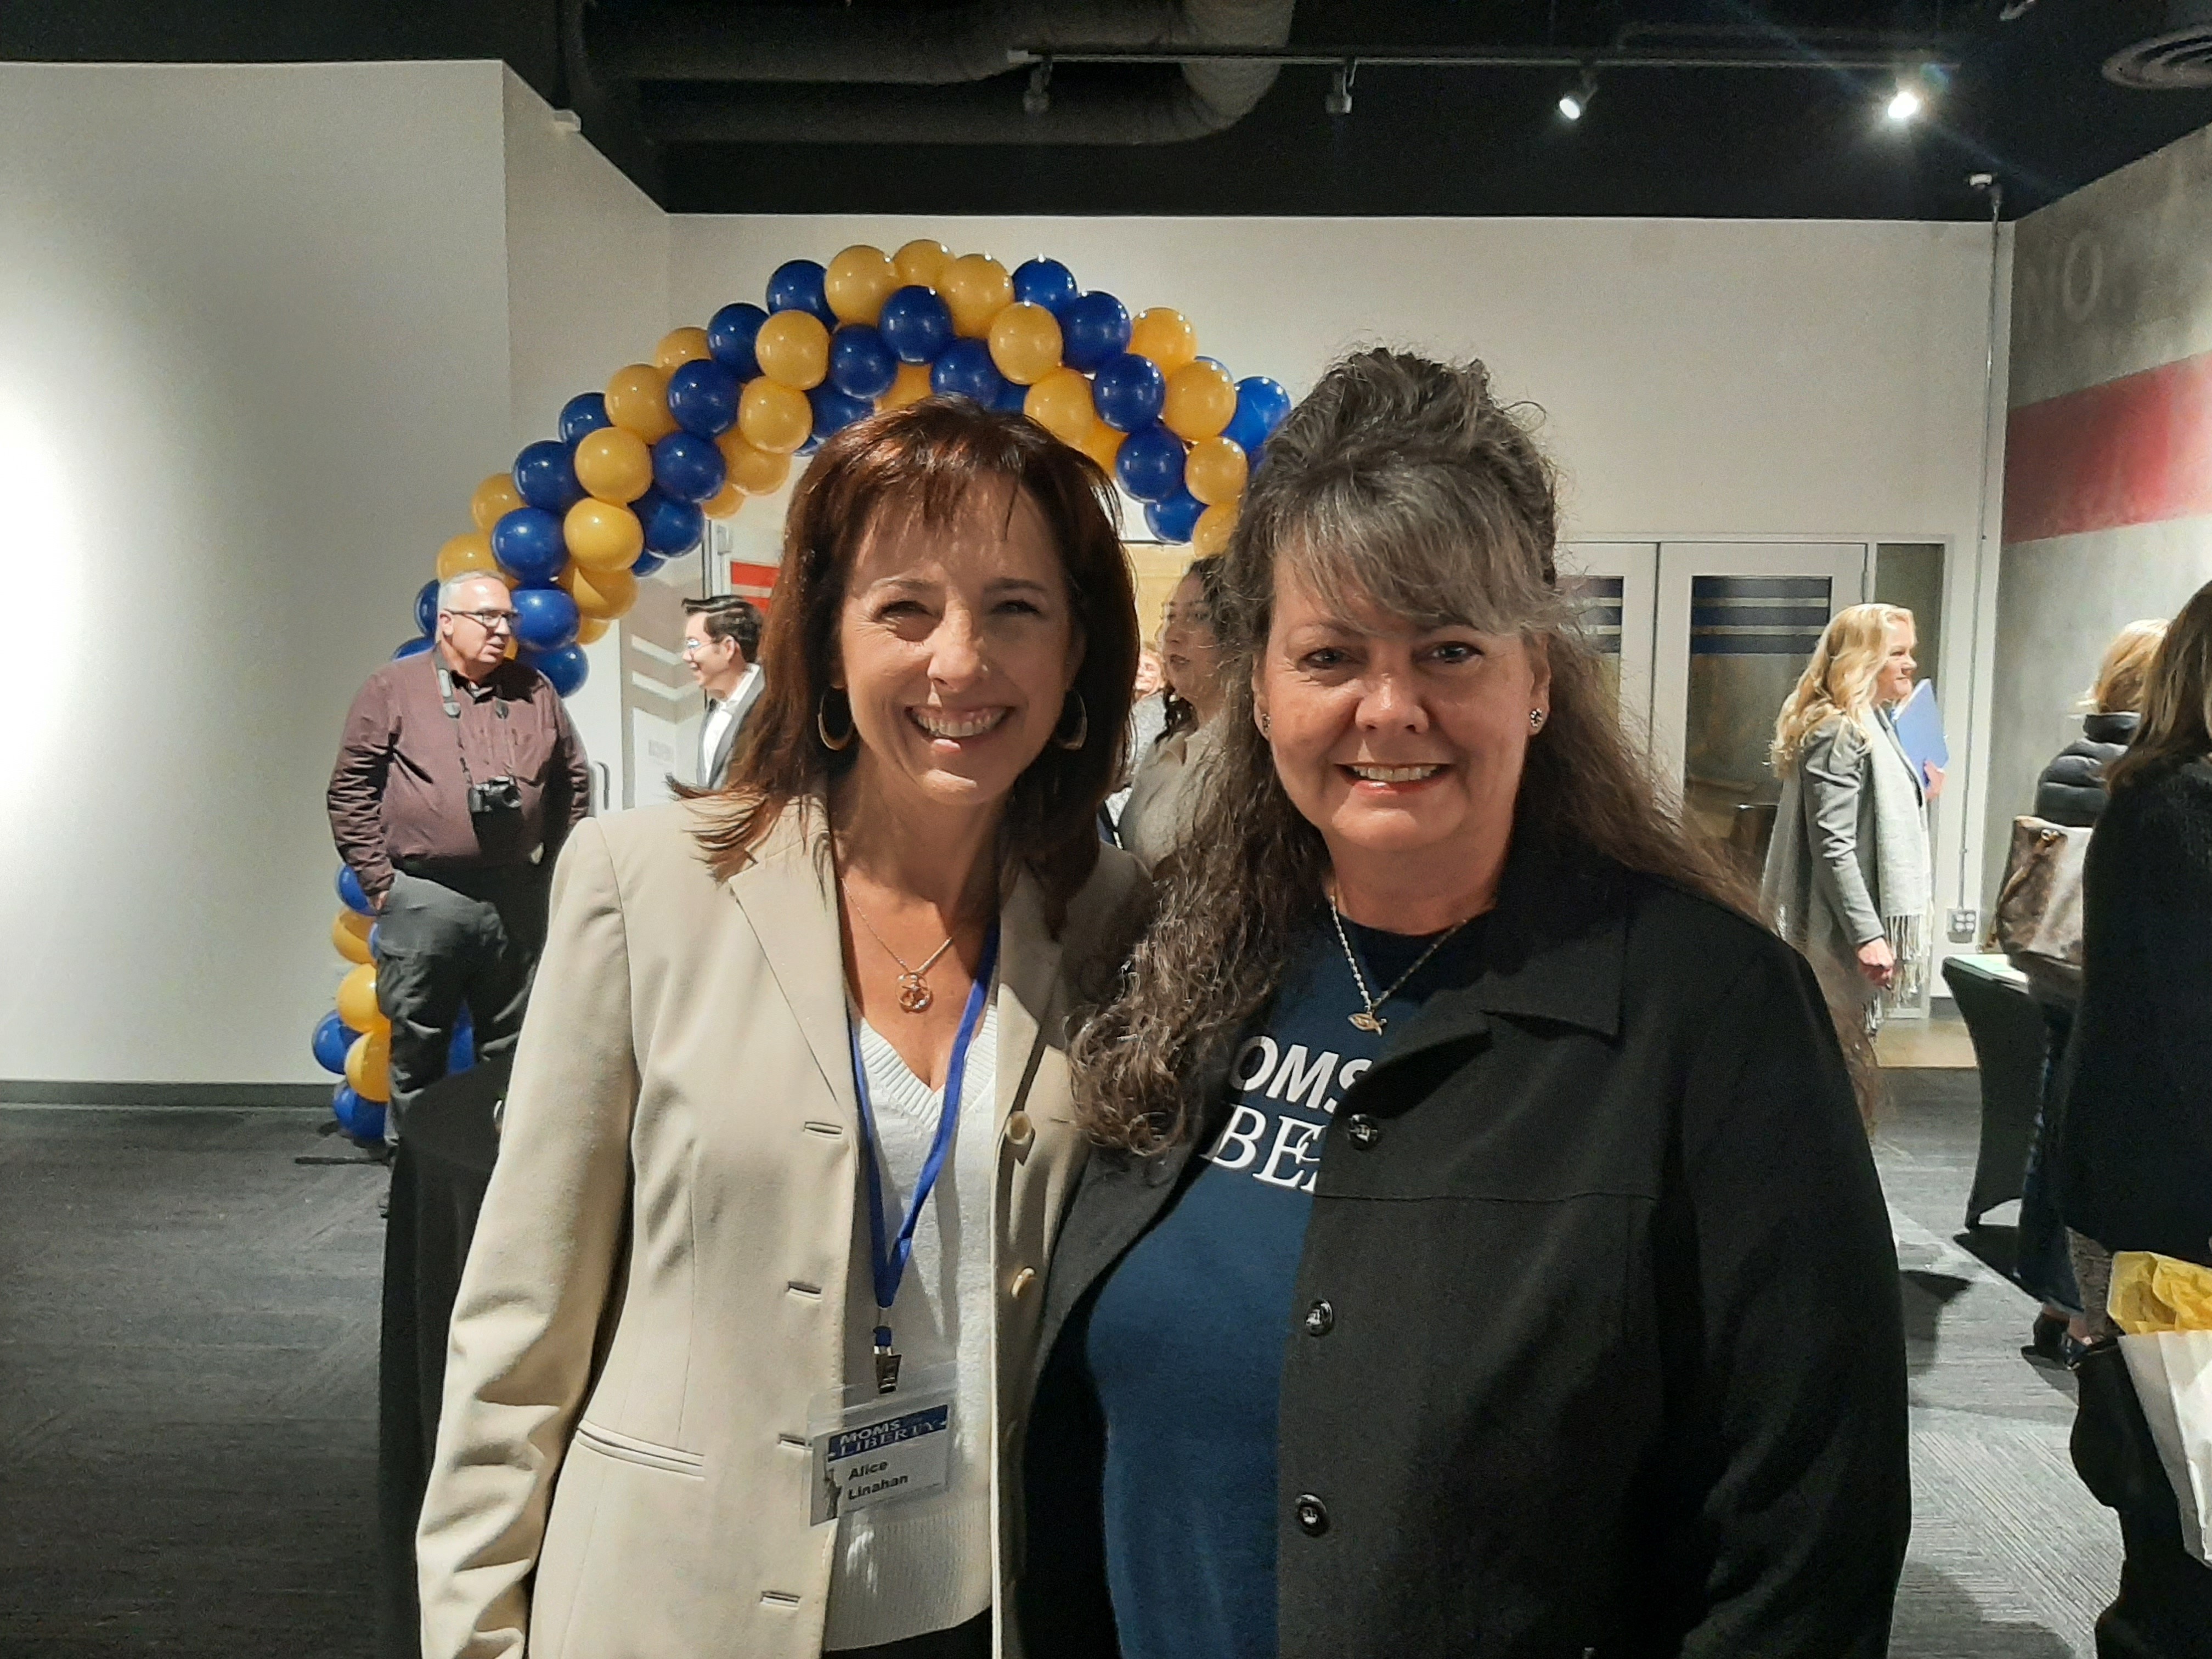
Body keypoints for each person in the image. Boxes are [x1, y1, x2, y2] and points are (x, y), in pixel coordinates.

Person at [1019, 350, 1909, 1658]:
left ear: (1536, 675)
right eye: (1331, 654)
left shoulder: (1710, 1015)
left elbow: (1804, 1540)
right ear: (1261, 686)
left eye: (1449, 649)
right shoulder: (1175, 960)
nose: (1390, 710)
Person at [415, 398, 1146, 1659]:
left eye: (1016, 609)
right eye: (905, 608)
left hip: (987, 1608)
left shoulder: (1113, 919)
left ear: (1078, 649)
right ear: (827, 636)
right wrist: (475, 1635)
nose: (960, 661)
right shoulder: (650, 884)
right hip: (675, 1608)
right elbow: (519, 1320)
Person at [2052, 581, 2212, 1651]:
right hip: (2171, 1206)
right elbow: (2193, 1028)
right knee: (2177, 1495)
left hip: (2154, 1192)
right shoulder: (2175, 806)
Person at [327, 571, 591, 1140]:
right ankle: (417, 1172)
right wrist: (382, 883)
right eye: (487, 617)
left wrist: (551, 871)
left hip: (514, 896)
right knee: (419, 1047)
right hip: (425, 897)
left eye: (508, 618)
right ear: (446, 623)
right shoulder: (393, 688)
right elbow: (350, 790)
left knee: (514, 1049)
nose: (502, 630)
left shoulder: (534, 690)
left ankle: (499, 1171)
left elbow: (573, 780)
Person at [2016, 617, 2164, 1362]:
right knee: (2103, 1149)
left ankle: (2053, 1298)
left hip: (2057, 971)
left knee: (2055, 1130)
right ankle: (2085, 1312)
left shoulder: (2070, 760)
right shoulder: (2144, 775)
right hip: (2112, 982)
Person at [1761, 602, 1940, 1033]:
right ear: (1864, 659)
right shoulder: (1838, 731)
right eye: (1897, 653)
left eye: (1910, 652)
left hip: (1850, 927)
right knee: (1834, 1045)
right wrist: (1868, 935)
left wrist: (1923, 785)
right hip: (1835, 932)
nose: (1910, 664)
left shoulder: (1877, 723)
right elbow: (1833, 845)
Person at [1116, 556, 1226, 872]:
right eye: (1171, 616)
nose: (1174, 634)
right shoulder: (1166, 742)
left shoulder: (1252, 757)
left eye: (1199, 617)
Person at [684, 593, 767, 789]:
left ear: (728, 648)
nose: (686, 656)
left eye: (693, 645)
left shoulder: (773, 700)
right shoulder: (715, 707)